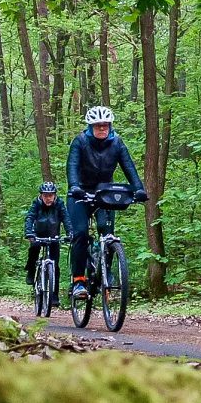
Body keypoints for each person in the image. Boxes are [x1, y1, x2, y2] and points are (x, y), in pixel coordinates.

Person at [66, 106, 147, 301]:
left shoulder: (117, 143)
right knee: (80, 233)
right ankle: (78, 281)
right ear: (91, 126)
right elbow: (72, 166)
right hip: (81, 193)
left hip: (105, 193)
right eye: (98, 126)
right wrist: (74, 186)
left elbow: (128, 166)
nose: (102, 129)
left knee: (107, 231)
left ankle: (106, 273)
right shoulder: (80, 141)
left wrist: (139, 190)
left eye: (105, 125)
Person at [23, 181, 66, 306]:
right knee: (34, 249)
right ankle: (31, 269)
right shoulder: (36, 203)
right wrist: (29, 232)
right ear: (41, 195)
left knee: (55, 266)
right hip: (38, 234)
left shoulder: (59, 204)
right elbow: (30, 218)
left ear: (54, 195)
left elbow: (66, 218)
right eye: (45, 195)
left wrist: (70, 234)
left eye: (51, 195)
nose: (48, 198)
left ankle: (54, 296)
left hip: (53, 236)